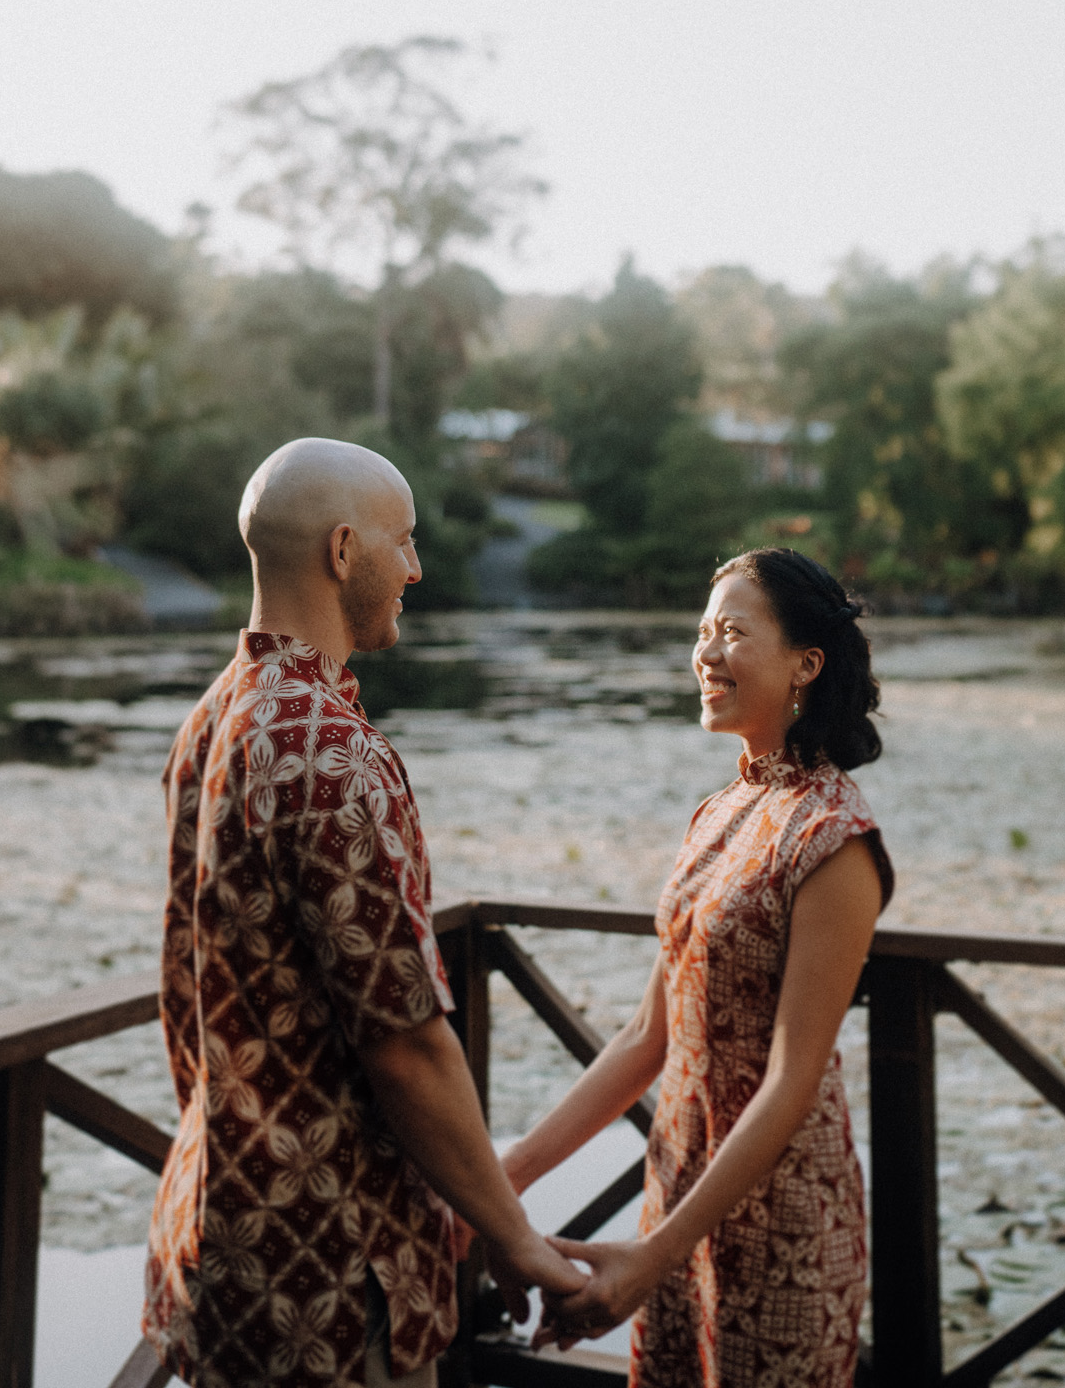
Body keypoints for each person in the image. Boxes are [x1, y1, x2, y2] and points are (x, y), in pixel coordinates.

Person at [141, 437, 582, 1388]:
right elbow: (405, 1041)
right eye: (404, 543)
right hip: (334, 1275)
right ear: (344, 553)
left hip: (218, 1238)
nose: (416, 569)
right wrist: (512, 1236)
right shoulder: (330, 751)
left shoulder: (213, 719)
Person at [504, 546, 892, 1388]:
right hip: (676, 1197)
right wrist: (508, 1178)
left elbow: (792, 1082)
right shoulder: (720, 812)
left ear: (805, 664)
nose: (705, 655)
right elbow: (650, 1033)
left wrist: (652, 1254)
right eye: (702, 632)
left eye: (731, 633)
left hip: (780, 1225)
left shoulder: (835, 838)